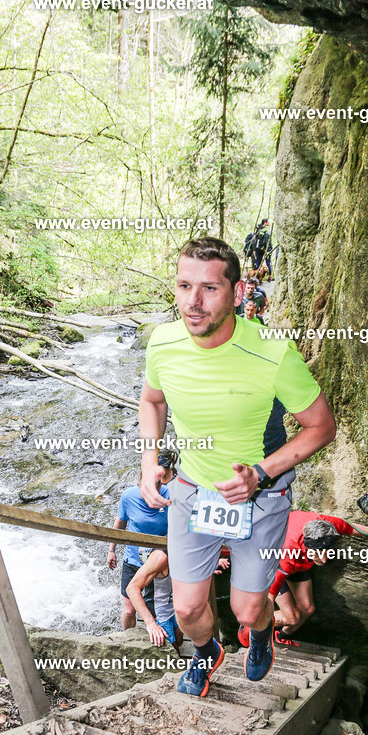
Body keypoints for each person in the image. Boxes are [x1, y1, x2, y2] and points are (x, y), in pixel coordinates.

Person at [138, 236, 336, 695]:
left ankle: (262, 631)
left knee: (248, 610)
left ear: (238, 291)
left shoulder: (272, 352)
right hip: (191, 492)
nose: (193, 302)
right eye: (184, 286)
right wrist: (150, 460)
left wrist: (260, 474)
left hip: (262, 499)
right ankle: (207, 653)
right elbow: (152, 401)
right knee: (187, 610)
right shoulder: (163, 343)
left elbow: (322, 427)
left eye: (209, 288)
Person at [239, 512, 368, 644]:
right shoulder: (286, 555)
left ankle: (280, 637)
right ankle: (250, 626)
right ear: (307, 547)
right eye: (318, 553)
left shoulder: (329, 526)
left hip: (298, 563)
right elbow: (269, 599)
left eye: (328, 552)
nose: (324, 560)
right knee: (292, 618)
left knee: (307, 609)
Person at [108, 451, 176, 629]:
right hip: (133, 558)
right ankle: (127, 639)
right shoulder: (128, 497)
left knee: (154, 607)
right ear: (139, 485)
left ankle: (159, 637)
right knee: (130, 609)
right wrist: (111, 550)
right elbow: (120, 522)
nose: (156, 489)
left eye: (159, 484)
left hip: (157, 560)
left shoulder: (169, 494)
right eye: (150, 486)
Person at [126, 549, 182, 648]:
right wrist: (150, 623)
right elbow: (132, 588)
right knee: (171, 648)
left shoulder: (191, 550)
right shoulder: (160, 557)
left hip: (175, 606)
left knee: (179, 640)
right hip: (160, 611)